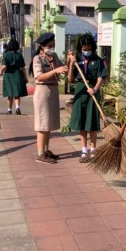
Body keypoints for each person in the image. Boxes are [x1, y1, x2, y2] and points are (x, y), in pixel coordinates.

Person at [66, 33, 107, 162]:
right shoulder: (76, 58)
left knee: (93, 122)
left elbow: (101, 77)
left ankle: (93, 150)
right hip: (80, 90)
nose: (86, 51)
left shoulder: (98, 59)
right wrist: (72, 64)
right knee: (82, 122)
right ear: (80, 47)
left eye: (89, 48)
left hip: (93, 91)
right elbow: (70, 80)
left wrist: (95, 89)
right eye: (84, 49)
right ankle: (84, 150)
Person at [30, 32, 68, 164]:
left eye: (53, 45)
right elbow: (39, 77)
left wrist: (69, 62)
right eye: (50, 46)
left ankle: (46, 150)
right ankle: (40, 153)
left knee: (49, 124)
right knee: (42, 124)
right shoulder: (37, 59)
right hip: (43, 91)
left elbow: (62, 68)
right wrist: (55, 71)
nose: (52, 48)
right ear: (42, 46)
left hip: (53, 90)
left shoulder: (54, 56)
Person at [0, 39, 28, 115]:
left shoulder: (6, 55)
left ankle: (9, 110)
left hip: (9, 74)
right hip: (18, 74)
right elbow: (23, 68)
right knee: (17, 93)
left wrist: (1, 72)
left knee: (9, 94)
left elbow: (4, 66)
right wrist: (25, 77)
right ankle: (17, 107)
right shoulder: (19, 55)